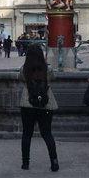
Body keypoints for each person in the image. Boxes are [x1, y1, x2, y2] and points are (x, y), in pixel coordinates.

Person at [19, 43, 59, 171]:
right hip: (46, 104)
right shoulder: (48, 69)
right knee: (47, 133)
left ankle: (26, 163)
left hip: (27, 104)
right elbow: (53, 78)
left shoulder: (24, 69)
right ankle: (54, 161)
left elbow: (21, 79)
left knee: (27, 134)